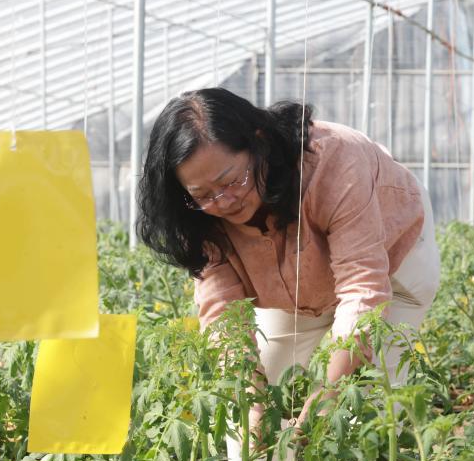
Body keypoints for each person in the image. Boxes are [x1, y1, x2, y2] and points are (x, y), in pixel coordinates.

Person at [137, 88, 440, 437]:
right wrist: (253, 405)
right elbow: (223, 315)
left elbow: (364, 292)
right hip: (295, 285)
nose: (224, 201)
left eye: (232, 180)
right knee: (253, 405)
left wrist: (324, 400)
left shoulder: (335, 161)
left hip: (393, 258)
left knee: (360, 408)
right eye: (202, 195)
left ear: (259, 144)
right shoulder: (193, 215)